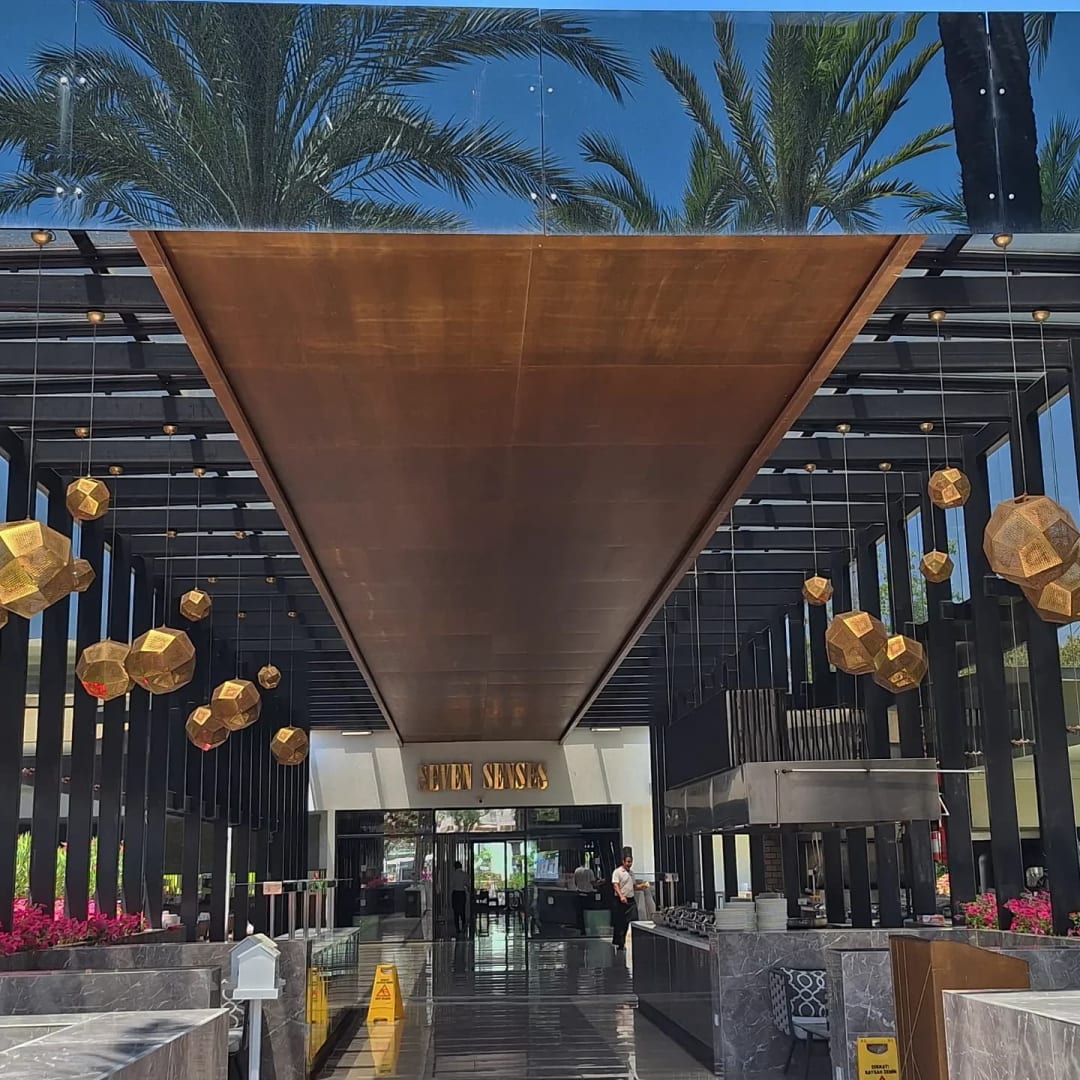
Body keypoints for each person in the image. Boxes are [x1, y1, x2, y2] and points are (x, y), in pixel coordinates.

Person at [611, 851, 648, 951]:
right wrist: (621, 896)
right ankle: (620, 942)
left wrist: (641, 886)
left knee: (634, 918)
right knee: (620, 922)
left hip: (631, 900)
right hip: (621, 900)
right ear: (623, 862)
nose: (629, 864)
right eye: (627, 862)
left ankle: (635, 940)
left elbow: (633, 886)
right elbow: (615, 885)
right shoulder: (618, 872)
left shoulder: (631, 873)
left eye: (631, 862)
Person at [573, 860, 595, 935]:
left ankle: (582, 930)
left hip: (579, 894)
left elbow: (575, 882)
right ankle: (591, 929)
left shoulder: (577, 871)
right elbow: (593, 882)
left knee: (580, 914)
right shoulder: (590, 871)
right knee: (589, 913)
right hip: (588, 895)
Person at [449, 860, 470, 936]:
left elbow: (451, 885)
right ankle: (463, 926)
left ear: (455, 867)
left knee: (456, 911)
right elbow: (467, 884)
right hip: (462, 893)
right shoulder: (465, 874)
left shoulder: (453, 874)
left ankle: (457, 928)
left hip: (455, 893)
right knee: (462, 910)